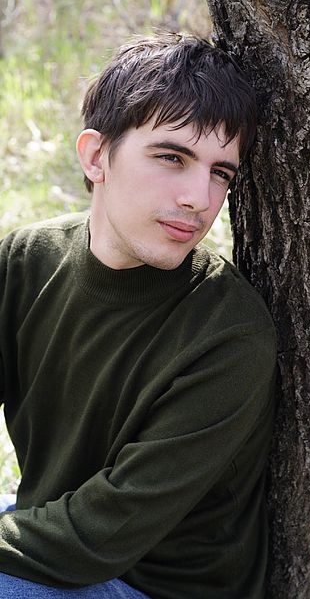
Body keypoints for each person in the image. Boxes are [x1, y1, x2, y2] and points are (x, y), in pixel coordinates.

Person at [0, 33, 277, 598]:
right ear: (96, 156)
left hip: (149, 586)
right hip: (51, 525)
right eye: (172, 157)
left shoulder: (229, 334)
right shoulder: (25, 261)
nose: (199, 197)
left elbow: (95, 537)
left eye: (220, 173)